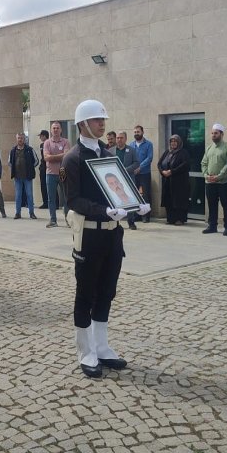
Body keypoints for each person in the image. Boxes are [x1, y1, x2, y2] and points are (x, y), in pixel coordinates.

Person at [62, 99, 151, 379]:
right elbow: (73, 200)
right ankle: (85, 351)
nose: (103, 124)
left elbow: (119, 185)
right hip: (89, 233)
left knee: (107, 292)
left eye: (104, 120)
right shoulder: (72, 158)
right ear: (83, 124)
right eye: (98, 120)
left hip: (113, 235)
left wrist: (136, 203)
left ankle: (101, 347)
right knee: (85, 293)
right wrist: (104, 210)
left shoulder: (107, 153)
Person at [201, 124, 227, 235]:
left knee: (226, 205)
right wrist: (206, 175)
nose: (214, 135)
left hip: (223, 182)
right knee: (212, 205)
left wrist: (218, 176)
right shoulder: (209, 148)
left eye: (216, 133)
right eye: (212, 133)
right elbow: (204, 163)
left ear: (222, 134)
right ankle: (212, 226)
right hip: (209, 182)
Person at [157, 134, 191, 225]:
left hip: (180, 182)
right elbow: (159, 163)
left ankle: (180, 219)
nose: (173, 143)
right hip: (168, 181)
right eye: (171, 141)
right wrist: (162, 172)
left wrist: (172, 171)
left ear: (179, 142)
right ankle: (170, 219)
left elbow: (185, 165)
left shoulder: (183, 152)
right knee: (169, 200)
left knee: (179, 201)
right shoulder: (167, 152)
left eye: (175, 141)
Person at [43, 121, 71, 227]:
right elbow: (46, 158)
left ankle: (68, 219)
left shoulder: (65, 142)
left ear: (61, 130)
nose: (55, 130)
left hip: (63, 172)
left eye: (57, 128)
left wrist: (52, 157)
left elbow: (66, 156)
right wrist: (59, 156)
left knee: (66, 196)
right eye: (54, 128)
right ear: (51, 130)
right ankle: (53, 220)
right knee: (51, 198)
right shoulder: (47, 143)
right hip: (50, 173)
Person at [113, 132, 140, 229]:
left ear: (125, 139)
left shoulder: (131, 150)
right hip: (115, 180)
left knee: (130, 201)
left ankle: (131, 222)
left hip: (128, 178)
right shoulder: (111, 150)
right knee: (115, 199)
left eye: (121, 138)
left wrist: (126, 170)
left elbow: (137, 163)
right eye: (117, 138)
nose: (119, 139)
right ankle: (114, 221)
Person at [8, 132, 39, 219]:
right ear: (16, 139)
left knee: (29, 195)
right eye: (18, 138)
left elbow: (36, 161)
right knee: (18, 195)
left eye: (21, 138)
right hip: (17, 177)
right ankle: (18, 213)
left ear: (24, 139)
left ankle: (31, 213)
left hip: (27, 177)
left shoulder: (30, 149)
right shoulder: (13, 150)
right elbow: (9, 162)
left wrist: (30, 168)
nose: (20, 139)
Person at [130, 125, 154, 223]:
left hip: (145, 173)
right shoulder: (131, 145)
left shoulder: (148, 144)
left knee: (145, 195)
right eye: (135, 132)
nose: (136, 134)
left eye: (138, 132)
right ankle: (137, 215)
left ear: (142, 132)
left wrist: (140, 167)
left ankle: (146, 216)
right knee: (135, 195)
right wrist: (133, 168)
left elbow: (149, 158)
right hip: (134, 174)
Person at [38, 129, 50, 210]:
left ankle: (51, 202)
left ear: (44, 136)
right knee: (44, 185)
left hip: (48, 166)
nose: (40, 138)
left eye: (41, 136)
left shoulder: (48, 144)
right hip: (43, 167)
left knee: (49, 185)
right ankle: (45, 202)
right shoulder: (41, 145)